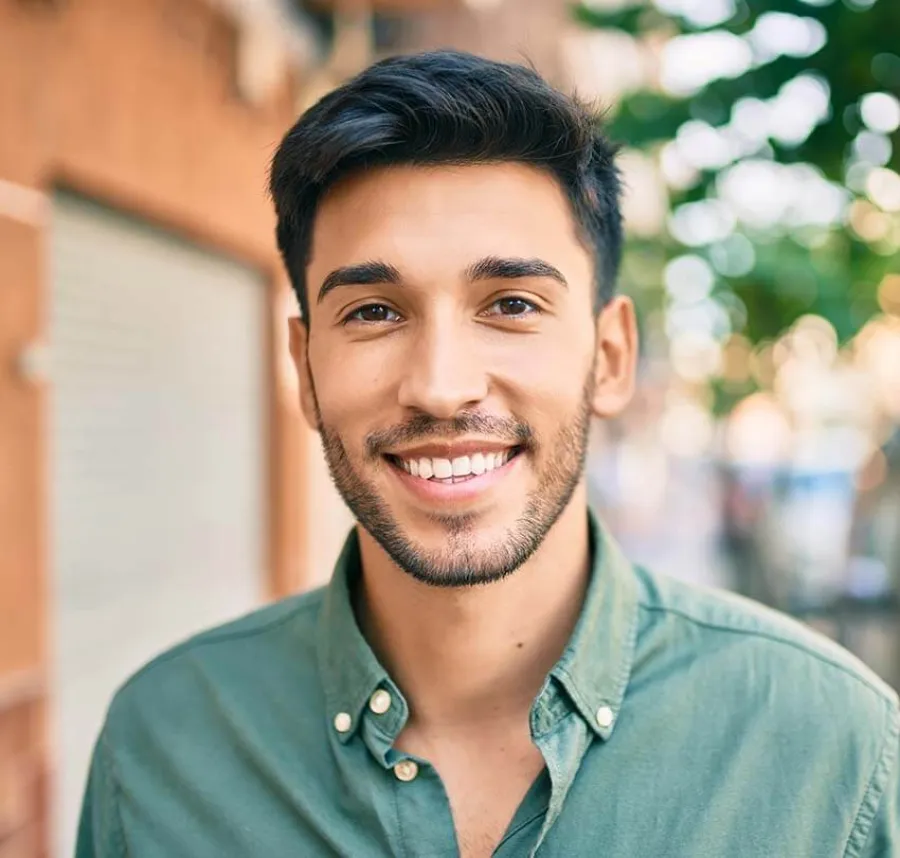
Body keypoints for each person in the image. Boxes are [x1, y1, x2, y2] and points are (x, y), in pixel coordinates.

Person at [76, 50, 899, 857]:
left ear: (609, 356)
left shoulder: (836, 752)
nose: (440, 386)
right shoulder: (160, 749)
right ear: (304, 369)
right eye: (373, 312)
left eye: (511, 303)